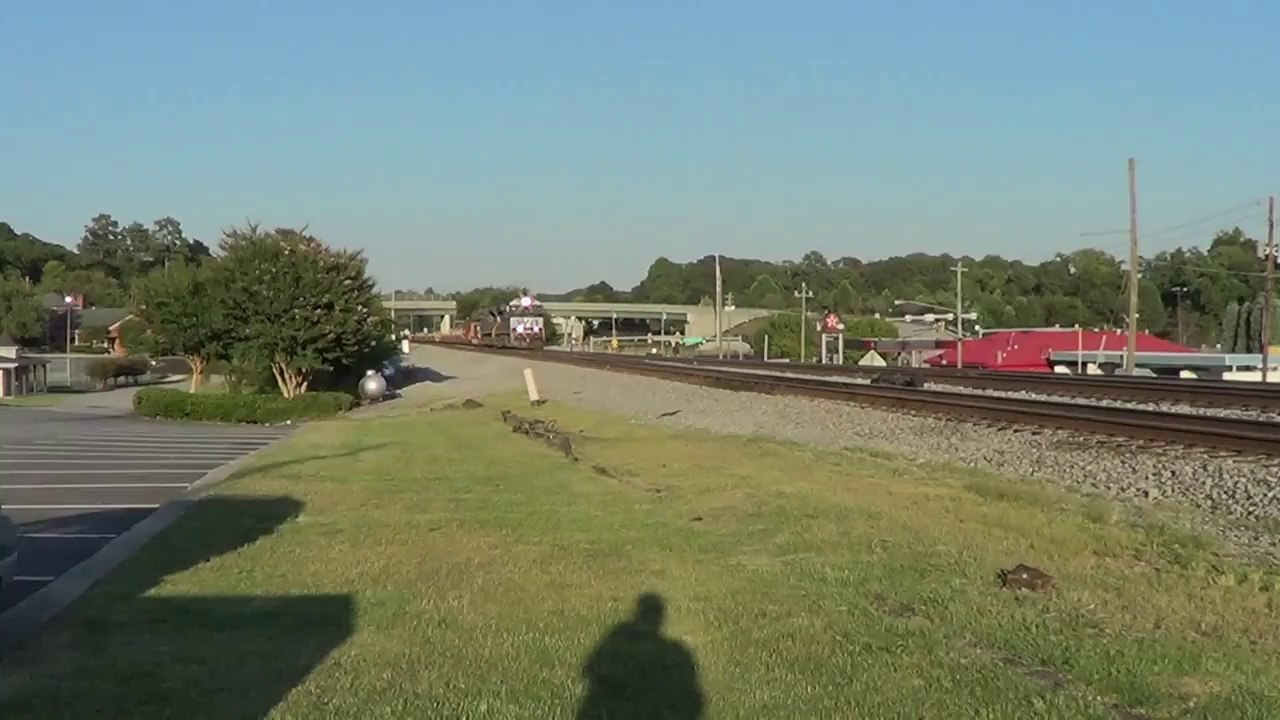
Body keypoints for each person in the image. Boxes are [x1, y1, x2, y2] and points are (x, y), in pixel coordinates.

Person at [576, 593, 705, 719]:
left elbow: (588, 669)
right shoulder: (675, 655)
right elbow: (694, 703)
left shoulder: (617, 640)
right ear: (660, 618)